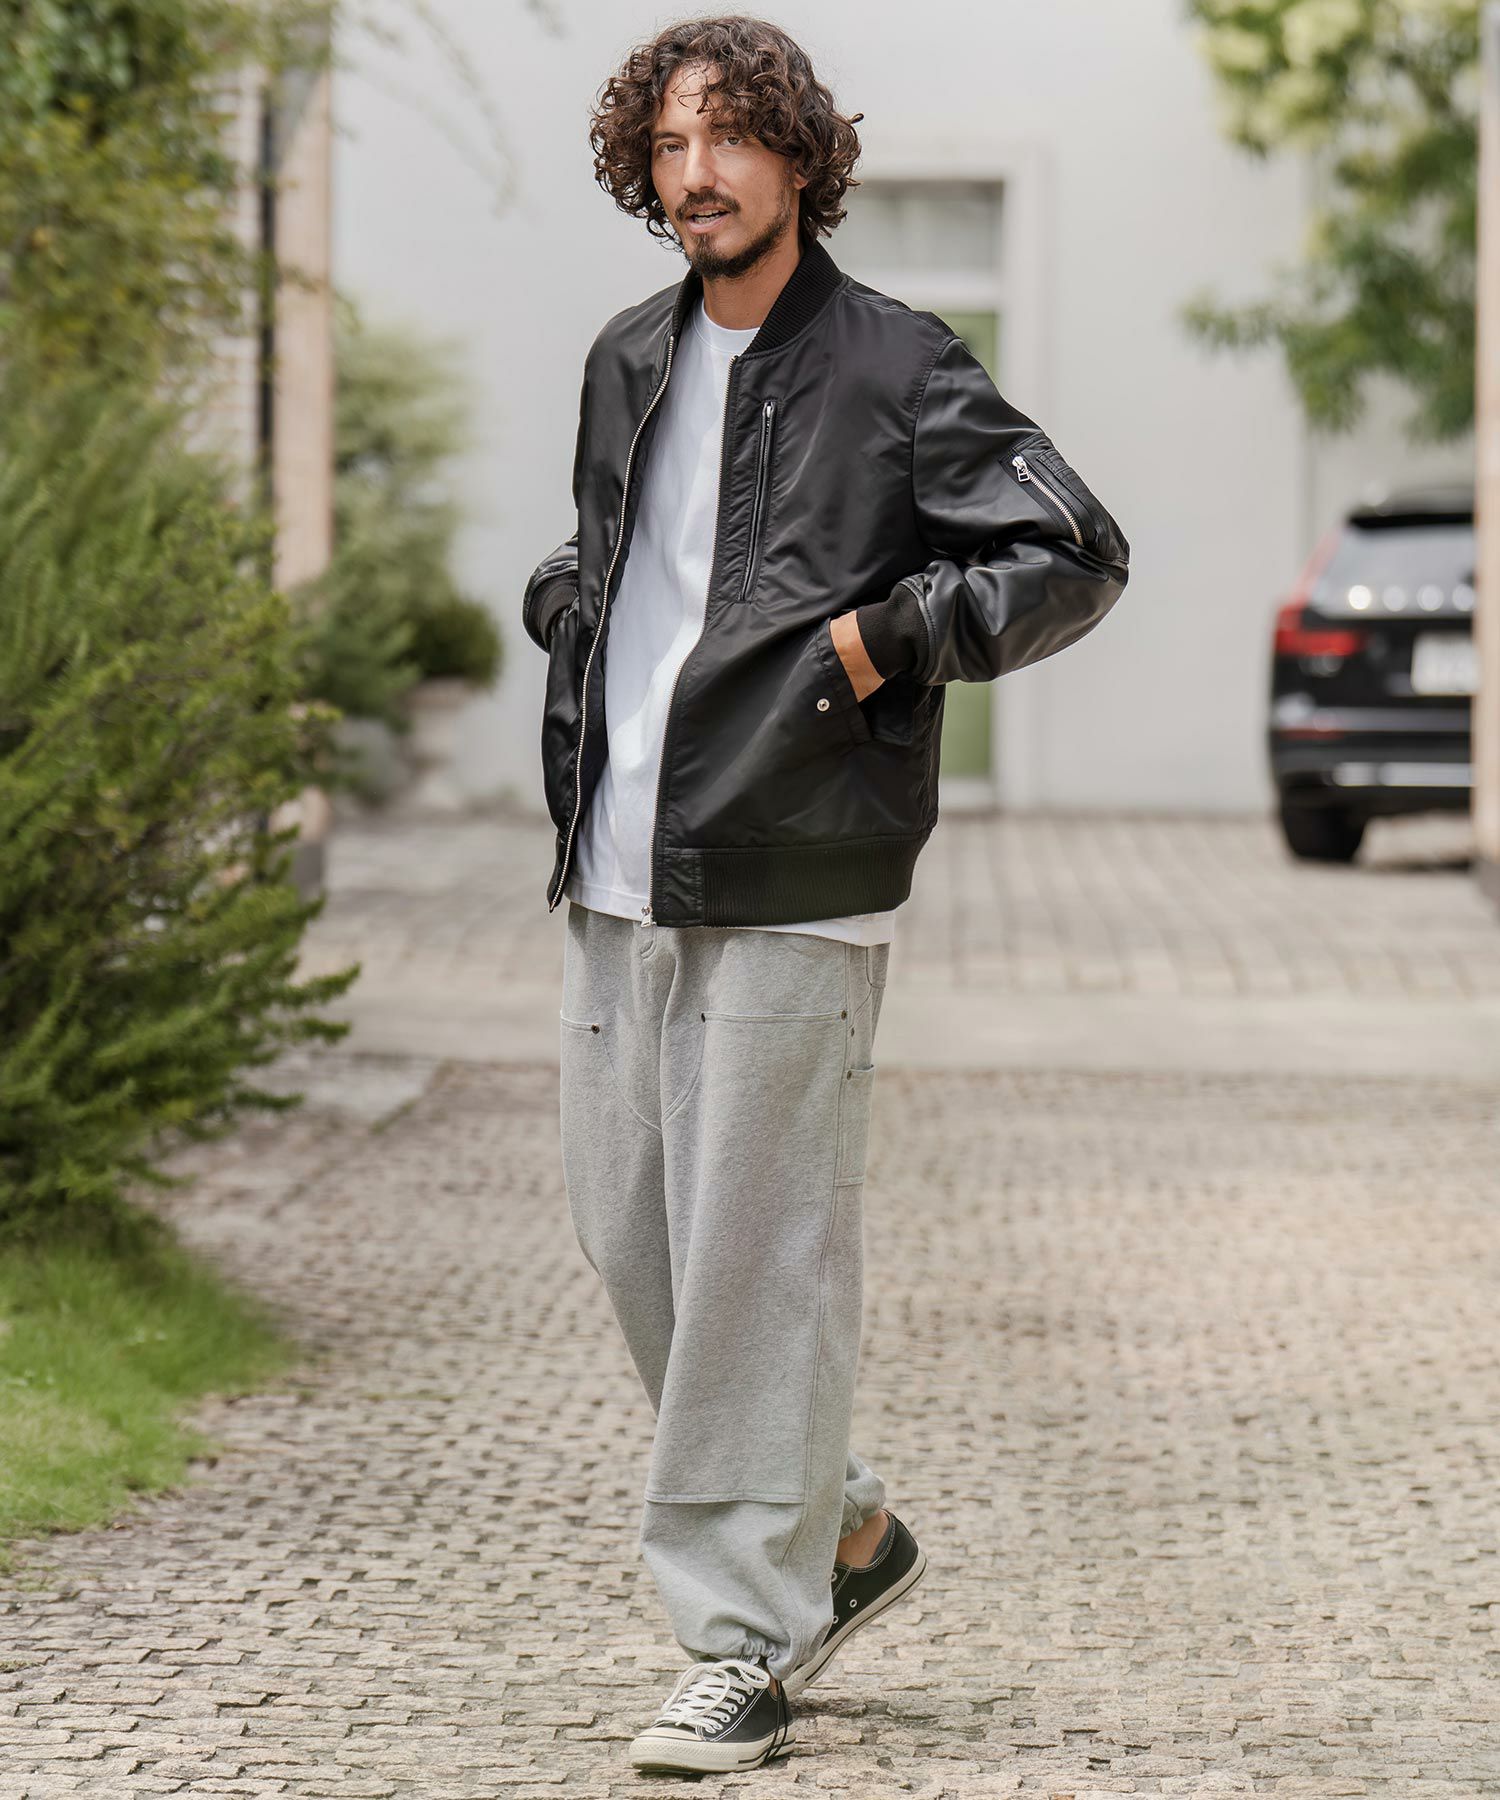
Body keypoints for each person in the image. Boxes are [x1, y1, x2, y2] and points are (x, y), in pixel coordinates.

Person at [522, 15, 1131, 1776]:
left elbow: (1072, 548)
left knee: (754, 1267)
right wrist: (569, 601)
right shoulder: (628, 356)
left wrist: (887, 638)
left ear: (797, 157)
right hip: (621, 864)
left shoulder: (897, 364)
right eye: (668, 145)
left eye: (729, 137)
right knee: (631, 1237)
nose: (696, 173)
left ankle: (743, 1642)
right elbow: (635, 558)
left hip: (797, 871)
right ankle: (842, 1528)